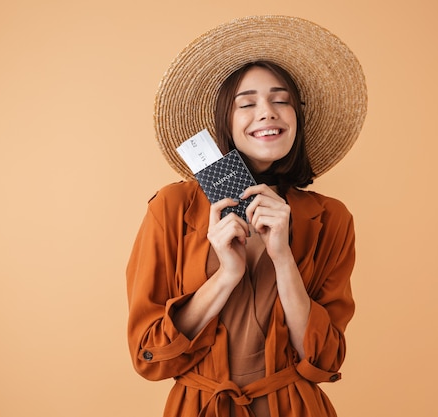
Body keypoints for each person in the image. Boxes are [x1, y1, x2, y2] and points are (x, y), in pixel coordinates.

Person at [126, 15, 367, 417]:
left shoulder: (331, 218)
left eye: (281, 99)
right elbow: (149, 356)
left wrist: (283, 257)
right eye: (247, 103)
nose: (267, 112)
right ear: (226, 119)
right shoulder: (172, 207)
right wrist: (227, 275)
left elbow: (325, 361)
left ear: (297, 118)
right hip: (199, 407)